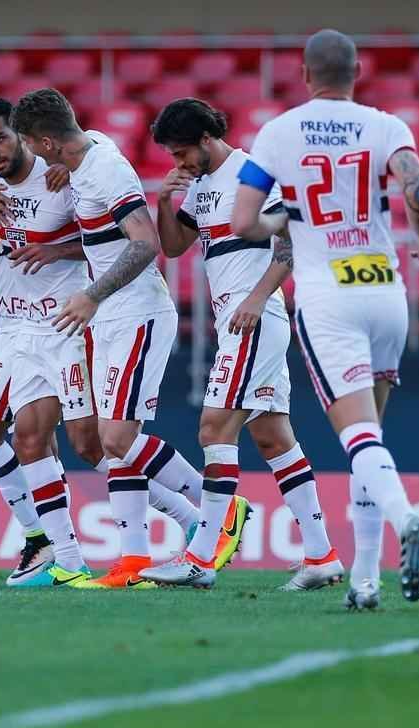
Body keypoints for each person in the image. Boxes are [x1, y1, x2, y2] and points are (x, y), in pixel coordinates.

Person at [0, 99, 205, 587]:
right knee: (17, 437)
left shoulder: (63, 176)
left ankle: (191, 515)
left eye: (0, 138)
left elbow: (105, 239)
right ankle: (60, 553)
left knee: (91, 444)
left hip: (66, 326)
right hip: (14, 332)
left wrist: (56, 250)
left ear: (26, 138)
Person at [11, 88, 250, 589]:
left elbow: (146, 244)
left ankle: (217, 508)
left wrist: (92, 295)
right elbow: (104, 230)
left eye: (31, 144)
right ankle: (133, 561)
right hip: (110, 319)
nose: (30, 153)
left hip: (136, 314)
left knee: (117, 438)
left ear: (46, 142)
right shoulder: (88, 153)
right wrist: (61, 239)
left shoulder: (106, 169)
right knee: (113, 444)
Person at [231, 29, 419, 610]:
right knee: (371, 440)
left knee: (357, 436)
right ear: (358, 71)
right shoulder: (385, 125)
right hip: (385, 290)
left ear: (304, 74)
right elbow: (418, 191)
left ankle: (406, 517)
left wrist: (284, 220)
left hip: (329, 296)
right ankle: (365, 581)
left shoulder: (279, 132)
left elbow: (244, 222)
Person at [139, 98, 343, 591]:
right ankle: (321, 556)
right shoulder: (200, 184)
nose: (179, 163)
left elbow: (289, 246)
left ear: (207, 139)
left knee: (214, 428)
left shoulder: (253, 175)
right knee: (273, 437)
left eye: (182, 152)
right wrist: (164, 203)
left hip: (253, 318)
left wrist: (255, 298)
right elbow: (174, 247)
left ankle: (200, 558)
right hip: (241, 320)